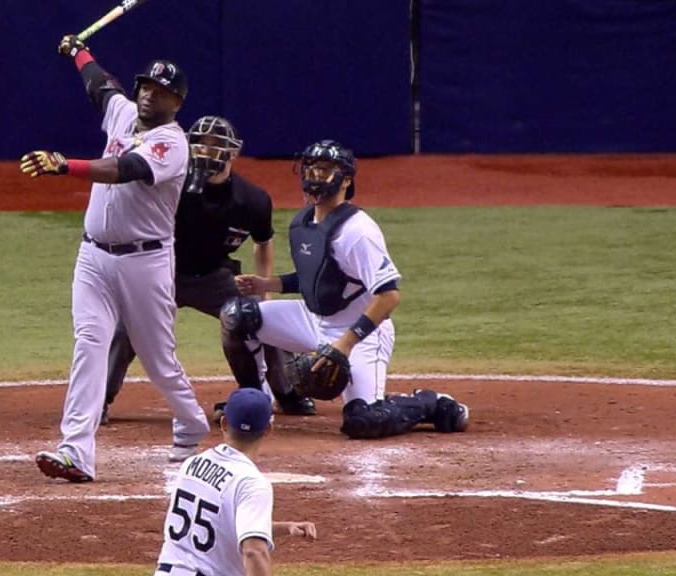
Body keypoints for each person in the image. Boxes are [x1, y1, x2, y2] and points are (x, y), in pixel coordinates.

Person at [21, 34, 210, 482]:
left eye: (160, 91)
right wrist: (76, 51)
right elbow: (99, 86)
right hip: (93, 258)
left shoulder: (172, 144)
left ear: (176, 102)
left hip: (145, 264)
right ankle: (76, 452)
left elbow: (126, 171)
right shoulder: (124, 113)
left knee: (157, 357)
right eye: (145, 86)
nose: (148, 94)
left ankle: (192, 420)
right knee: (89, 344)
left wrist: (66, 166)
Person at [221, 140, 470, 439]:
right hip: (312, 319)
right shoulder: (303, 221)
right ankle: (256, 400)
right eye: (310, 168)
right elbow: (319, 279)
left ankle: (429, 403)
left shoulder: (358, 232)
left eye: (324, 170)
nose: (314, 176)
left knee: (364, 421)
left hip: (360, 333)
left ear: (346, 179)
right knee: (237, 316)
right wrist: (268, 284)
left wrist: (346, 344)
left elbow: (389, 295)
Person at [103, 115, 315, 427]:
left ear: (232, 152)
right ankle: (100, 399)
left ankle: (283, 394)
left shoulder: (252, 200)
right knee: (126, 331)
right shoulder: (172, 185)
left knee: (261, 318)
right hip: (162, 272)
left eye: (216, 146)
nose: (206, 152)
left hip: (214, 277)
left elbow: (263, 242)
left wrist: (265, 292)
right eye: (201, 145)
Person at [153, 387, 317, 576]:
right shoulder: (251, 483)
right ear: (268, 430)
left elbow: (219, 524)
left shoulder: (192, 464)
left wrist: (285, 527)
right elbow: (254, 551)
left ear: (224, 423)